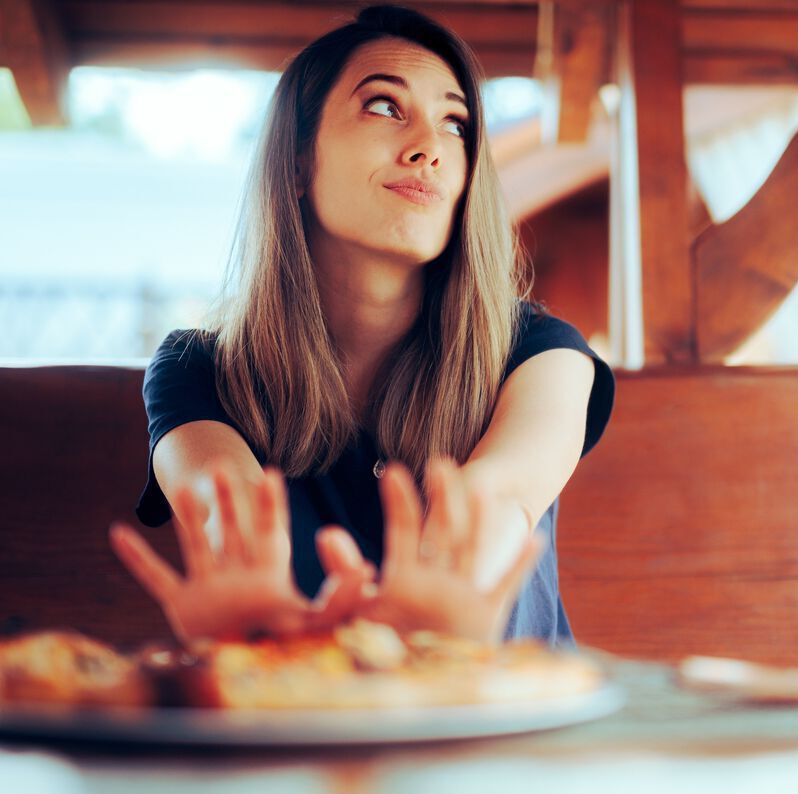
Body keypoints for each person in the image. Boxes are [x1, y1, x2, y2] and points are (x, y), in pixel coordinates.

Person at [108, 4, 613, 648]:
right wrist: (266, 616)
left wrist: (432, 601)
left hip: (507, 732)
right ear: (294, 162)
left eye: (455, 123)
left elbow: (498, 501)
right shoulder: (196, 369)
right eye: (384, 106)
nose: (429, 147)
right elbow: (224, 515)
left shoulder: (542, 353)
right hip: (304, 723)